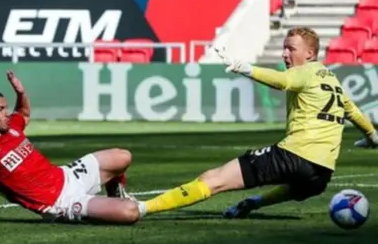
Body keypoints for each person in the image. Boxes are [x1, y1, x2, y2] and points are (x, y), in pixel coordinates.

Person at [136, 27, 378, 219]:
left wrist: (247, 69)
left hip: (295, 154)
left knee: (213, 179)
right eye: (284, 48)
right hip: (321, 173)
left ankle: (142, 208)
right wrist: (372, 136)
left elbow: (282, 81)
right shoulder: (332, 80)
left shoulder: (306, 71)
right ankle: (253, 202)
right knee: (297, 188)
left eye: (291, 48)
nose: (285, 54)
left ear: (310, 54)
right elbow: (354, 112)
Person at [0, 70, 143, 224]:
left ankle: (115, 195)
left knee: (123, 156)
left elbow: (24, 114)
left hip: (67, 175)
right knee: (130, 212)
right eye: (0, 109)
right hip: (60, 202)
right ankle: (102, 208)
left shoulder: (11, 127)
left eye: (6, 108)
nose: (6, 113)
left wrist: (21, 93)